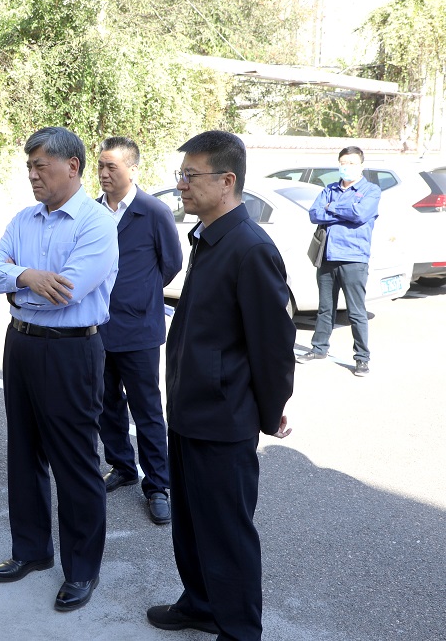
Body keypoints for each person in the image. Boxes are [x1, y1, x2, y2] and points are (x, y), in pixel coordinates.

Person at [146, 131, 295, 640]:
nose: (181, 185)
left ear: (227, 181)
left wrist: (269, 410)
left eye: (191, 176)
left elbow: (273, 347)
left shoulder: (250, 248)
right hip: (190, 411)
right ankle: (202, 604)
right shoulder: (210, 238)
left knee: (227, 534)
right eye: (181, 175)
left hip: (223, 419)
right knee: (191, 524)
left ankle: (239, 631)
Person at [0, 126, 118, 612]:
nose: (33, 175)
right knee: (23, 452)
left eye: (41, 166)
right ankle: (32, 550)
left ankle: (81, 569)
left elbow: (68, 291)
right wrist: (27, 276)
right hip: (21, 345)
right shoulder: (24, 219)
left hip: (71, 351)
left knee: (75, 461)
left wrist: (17, 287)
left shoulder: (95, 223)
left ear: (72, 166)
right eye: (29, 167)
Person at [94, 136, 183, 525]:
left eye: (111, 166)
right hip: (97, 327)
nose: (103, 173)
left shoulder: (153, 211)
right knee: (105, 404)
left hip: (139, 330)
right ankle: (122, 466)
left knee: (146, 409)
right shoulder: (92, 211)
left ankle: (158, 485)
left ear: (132, 169)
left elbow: (171, 264)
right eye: (100, 165)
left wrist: (141, 293)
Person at [296, 146, 380, 377]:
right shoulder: (329, 189)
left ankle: (362, 358)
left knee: (356, 312)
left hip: (354, 258)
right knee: (325, 308)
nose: (347, 167)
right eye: (343, 163)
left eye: (352, 163)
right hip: (327, 257)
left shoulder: (371, 190)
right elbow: (314, 214)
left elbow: (360, 214)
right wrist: (344, 211)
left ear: (361, 166)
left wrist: (331, 208)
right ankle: (318, 349)